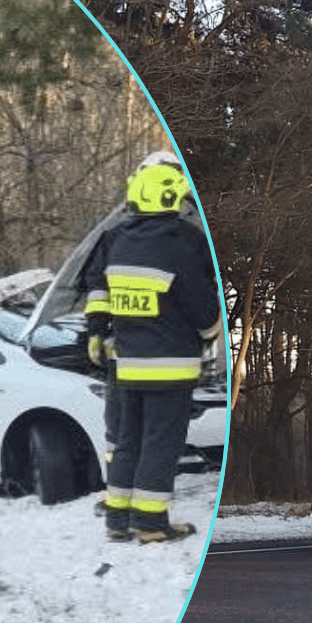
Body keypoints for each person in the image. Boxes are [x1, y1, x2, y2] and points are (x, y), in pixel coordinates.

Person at [85, 151, 222, 543]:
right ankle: (150, 522)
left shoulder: (120, 241)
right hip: (170, 367)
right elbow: (202, 307)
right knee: (160, 445)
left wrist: (97, 333)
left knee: (127, 442)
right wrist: (212, 331)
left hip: (127, 365)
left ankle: (117, 518)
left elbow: (102, 294)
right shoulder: (181, 242)